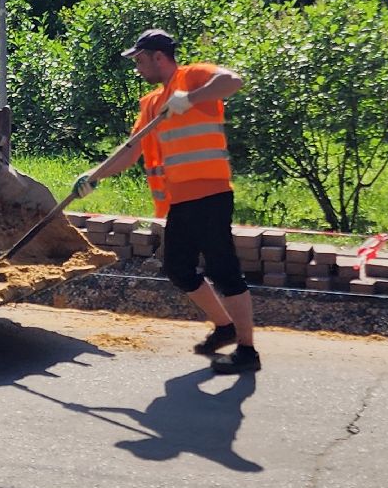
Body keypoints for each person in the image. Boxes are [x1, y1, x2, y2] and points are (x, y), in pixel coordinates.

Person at [74, 28, 260, 374]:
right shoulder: (152, 104)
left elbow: (234, 81)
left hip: (212, 194)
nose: (138, 68)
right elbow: (130, 152)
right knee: (178, 269)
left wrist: (190, 98)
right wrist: (94, 176)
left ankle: (247, 351)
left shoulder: (194, 77)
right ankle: (225, 327)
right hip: (182, 201)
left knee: (224, 270)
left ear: (159, 57)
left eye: (141, 61)